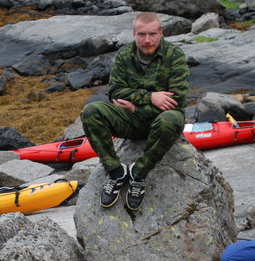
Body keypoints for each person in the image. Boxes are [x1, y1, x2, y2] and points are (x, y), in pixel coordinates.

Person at [80, 12, 189, 211]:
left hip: (159, 121)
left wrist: (136, 106)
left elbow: (177, 100)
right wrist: (150, 97)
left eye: (152, 34)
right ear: (134, 34)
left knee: (170, 119)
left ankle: (138, 173)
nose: (147, 40)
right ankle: (115, 171)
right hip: (130, 120)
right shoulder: (124, 55)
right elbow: (115, 92)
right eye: (142, 35)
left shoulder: (175, 55)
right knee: (91, 111)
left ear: (161, 33)